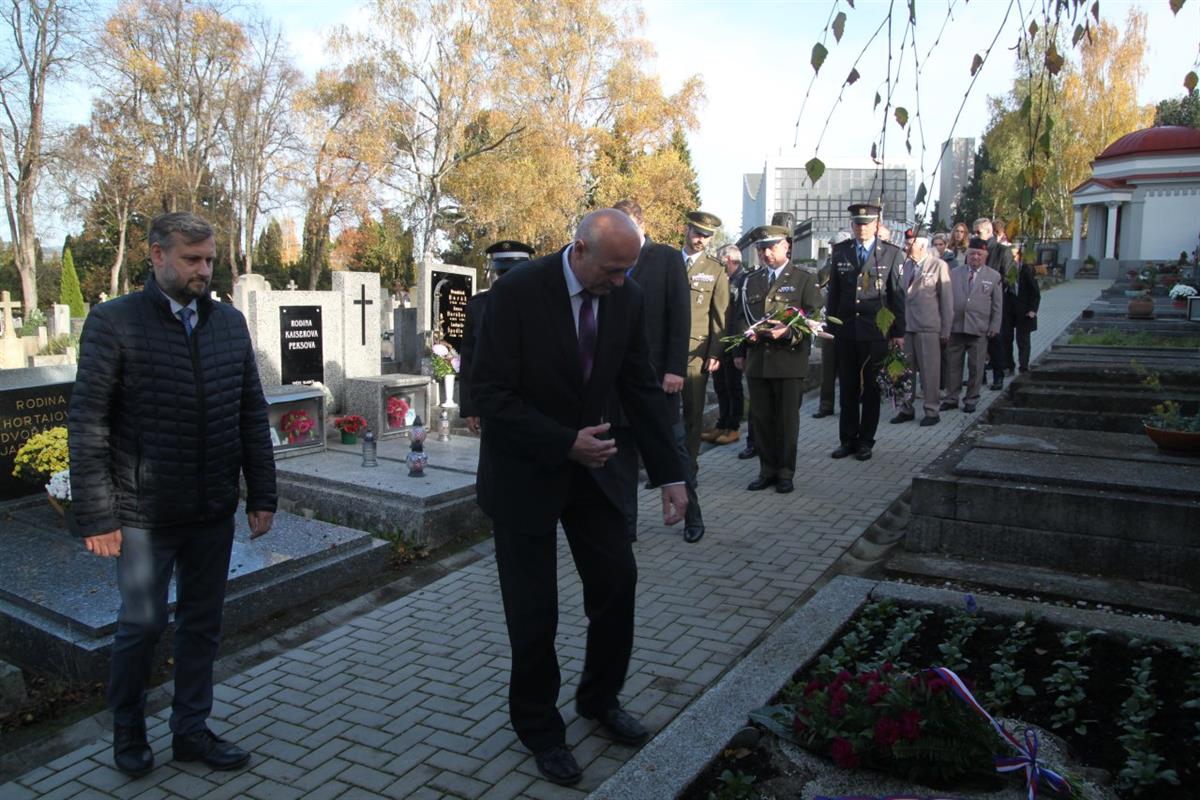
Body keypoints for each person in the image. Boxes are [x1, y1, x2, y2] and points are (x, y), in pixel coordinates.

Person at [471, 209, 688, 787]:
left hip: (593, 473)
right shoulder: (517, 292)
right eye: (612, 269)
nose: (619, 281)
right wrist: (563, 441)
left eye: (627, 270)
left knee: (618, 583)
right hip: (525, 473)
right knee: (534, 610)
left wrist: (672, 474)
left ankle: (599, 699)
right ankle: (540, 728)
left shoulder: (626, 296)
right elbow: (487, 393)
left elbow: (639, 386)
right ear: (580, 248)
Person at [67, 212, 277, 777]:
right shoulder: (115, 323)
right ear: (157, 255)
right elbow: (88, 422)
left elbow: (250, 412)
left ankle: (191, 730)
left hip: (211, 508)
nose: (203, 271)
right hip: (144, 514)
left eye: (208, 260)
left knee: (202, 625)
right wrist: (97, 516)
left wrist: (262, 493)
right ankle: (128, 730)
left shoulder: (228, 323)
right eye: (191, 259)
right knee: (141, 625)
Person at [611, 199, 705, 544]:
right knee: (621, 454)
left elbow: (680, 316)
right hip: (617, 380)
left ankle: (692, 515)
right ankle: (626, 525)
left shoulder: (665, 258)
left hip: (658, 378)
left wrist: (675, 369)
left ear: (640, 225)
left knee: (672, 448)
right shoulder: (612, 259)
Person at [732, 224, 823, 493]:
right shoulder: (751, 280)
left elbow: (815, 318)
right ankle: (766, 470)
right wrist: (740, 349)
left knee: (786, 421)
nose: (766, 253)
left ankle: (785, 472)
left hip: (788, 361)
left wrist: (790, 332)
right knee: (761, 420)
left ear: (786, 246)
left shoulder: (803, 279)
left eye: (771, 247)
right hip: (758, 360)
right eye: (761, 249)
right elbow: (740, 317)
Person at [825, 202, 906, 461]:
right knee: (847, 387)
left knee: (871, 388)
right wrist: (831, 325)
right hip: (847, 330)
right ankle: (847, 440)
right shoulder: (841, 251)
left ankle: (866, 441)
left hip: (875, 331)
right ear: (852, 225)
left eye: (866, 224)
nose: (862, 228)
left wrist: (898, 332)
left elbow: (897, 296)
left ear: (876, 225)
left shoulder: (891, 253)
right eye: (857, 224)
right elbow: (834, 293)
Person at [460, 239, 534, 432]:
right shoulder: (478, 306)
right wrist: (470, 407)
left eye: (513, 273)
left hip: (533, 405)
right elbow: (469, 359)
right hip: (492, 405)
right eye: (503, 272)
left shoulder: (539, 304)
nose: (507, 278)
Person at [679, 211, 730, 465]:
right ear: (686, 230)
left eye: (707, 236)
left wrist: (714, 353)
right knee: (662, 413)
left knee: (693, 413)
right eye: (698, 233)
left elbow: (720, 316)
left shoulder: (715, 270)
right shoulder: (668, 262)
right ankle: (664, 469)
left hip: (695, 353)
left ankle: (689, 468)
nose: (701, 240)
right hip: (665, 349)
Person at [891, 233, 952, 426]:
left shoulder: (938, 266)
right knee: (904, 372)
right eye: (906, 244)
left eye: (910, 244)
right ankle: (905, 408)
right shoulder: (905, 266)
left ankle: (932, 410)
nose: (906, 248)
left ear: (922, 246)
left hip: (928, 327)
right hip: (906, 327)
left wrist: (946, 330)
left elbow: (946, 301)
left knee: (929, 372)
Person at [940, 237, 1003, 414]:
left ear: (985, 255)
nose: (976, 257)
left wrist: (994, 326)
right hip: (956, 327)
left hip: (979, 328)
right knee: (953, 366)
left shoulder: (993, 276)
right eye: (973, 253)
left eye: (979, 254)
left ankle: (971, 399)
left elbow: (997, 305)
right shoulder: (954, 273)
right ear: (967, 254)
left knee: (976, 367)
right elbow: (946, 300)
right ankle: (951, 398)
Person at [709, 243, 748, 446]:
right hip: (720, 339)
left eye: (720, 259)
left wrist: (739, 349)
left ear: (729, 260)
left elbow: (739, 316)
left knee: (733, 385)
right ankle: (722, 423)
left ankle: (733, 426)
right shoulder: (725, 278)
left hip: (734, 341)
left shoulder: (744, 280)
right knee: (720, 385)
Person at [973, 217, 1015, 390]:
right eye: (974, 232)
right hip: (976, 303)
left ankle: (999, 376)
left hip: (995, 302)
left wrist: (991, 284)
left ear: (989, 231)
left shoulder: (1001, 251)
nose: (976, 235)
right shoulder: (975, 249)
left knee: (995, 341)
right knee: (976, 343)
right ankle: (979, 377)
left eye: (979, 232)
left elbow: (1010, 277)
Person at [812, 231, 851, 419]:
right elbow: (819, 283)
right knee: (827, 367)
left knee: (847, 368)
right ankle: (825, 405)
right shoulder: (829, 266)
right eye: (833, 247)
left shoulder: (853, 264)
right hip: (828, 322)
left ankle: (847, 405)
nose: (834, 250)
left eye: (836, 246)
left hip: (847, 323)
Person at [1008, 255, 1041, 372]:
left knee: (1023, 339)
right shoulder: (1005, 269)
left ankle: (1023, 365)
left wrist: (1032, 309)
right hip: (1009, 310)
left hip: (1024, 311)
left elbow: (1035, 292)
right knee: (1006, 338)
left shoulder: (1026, 270)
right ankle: (1008, 365)